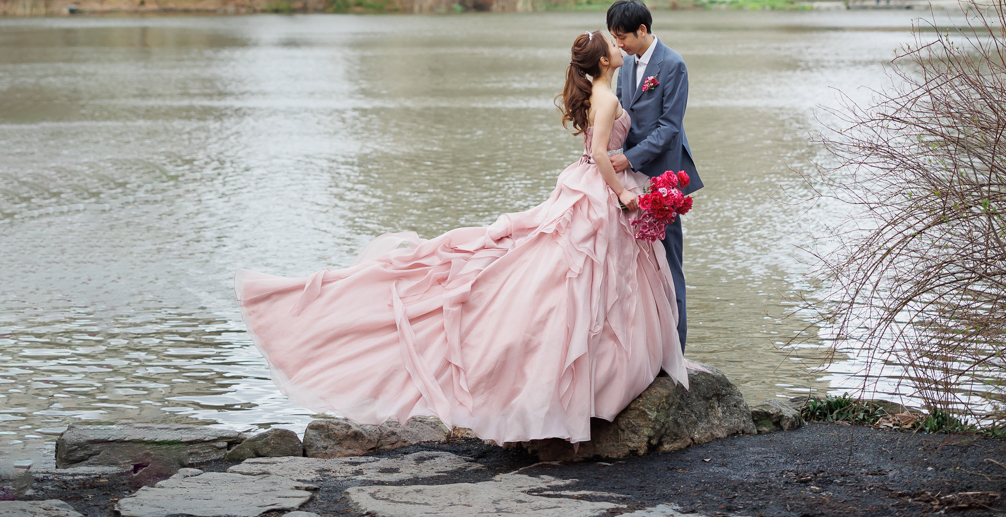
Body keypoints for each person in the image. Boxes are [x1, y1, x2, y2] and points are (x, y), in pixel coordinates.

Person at [235, 31, 686, 447]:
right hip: (599, 189)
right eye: (613, 44)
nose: (619, 47)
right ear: (605, 60)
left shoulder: (600, 93)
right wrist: (626, 195)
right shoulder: (606, 99)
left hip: (582, 184)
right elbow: (605, 159)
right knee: (583, 275)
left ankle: (598, 373)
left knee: (591, 275)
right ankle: (586, 379)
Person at [606, 0, 702, 351]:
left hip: (663, 177)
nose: (618, 45)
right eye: (614, 38)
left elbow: (669, 128)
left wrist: (627, 159)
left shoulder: (673, 65)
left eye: (622, 38)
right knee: (638, 264)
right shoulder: (627, 64)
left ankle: (676, 348)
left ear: (642, 31)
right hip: (630, 176)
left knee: (669, 261)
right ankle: (642, 347)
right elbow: (621, 113)